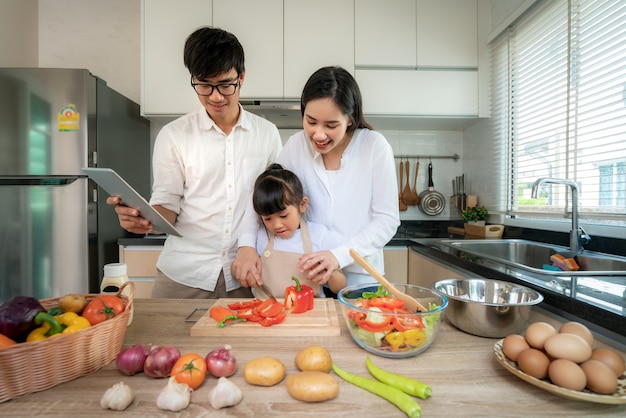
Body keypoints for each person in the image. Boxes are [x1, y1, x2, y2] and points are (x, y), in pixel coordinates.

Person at [107, 27, 282, 298]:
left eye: (225, 84)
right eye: (204, 85)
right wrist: (144, 218)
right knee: (160, 342)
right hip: (184, 274)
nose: (215, 96)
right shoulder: (174, 135)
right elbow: (167, 204)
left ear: (242, 77)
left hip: (247, 274)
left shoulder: (267, 134)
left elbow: (272, 202)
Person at [235, 66, 399, 290]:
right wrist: (246, 246)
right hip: (312, 282)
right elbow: (261, 193)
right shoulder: (296, 146)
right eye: (311, 122)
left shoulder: (374, 147)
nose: (319, 135)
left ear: (350, 119)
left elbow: (386, 221)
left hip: (362, 279)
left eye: (331, 125)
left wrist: (337, 256)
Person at [240, 163, 346, 297]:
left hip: (309, 312)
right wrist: (248, 274)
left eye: (283, 216)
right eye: (267, 219)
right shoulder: (261, 236)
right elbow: (239, 266)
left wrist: (330, 275)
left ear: (302, 205)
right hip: (268, 311)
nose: (277, 225)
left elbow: (340, 287)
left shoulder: (319, 236)